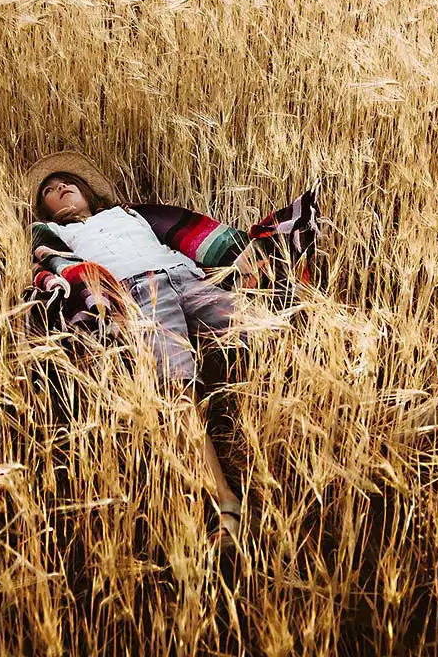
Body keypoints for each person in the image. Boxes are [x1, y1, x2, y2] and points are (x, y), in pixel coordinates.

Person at [25, 150, 265, 549]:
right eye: (49, 190)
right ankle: (226, 505)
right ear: (45, 208)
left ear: (86, 190)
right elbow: (56, 272)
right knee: (176, 391)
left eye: (66, 182)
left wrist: (249, 259)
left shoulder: (132, 213)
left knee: (269, 332)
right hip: (142, 294)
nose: (60, 188)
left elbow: (198, 238)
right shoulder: (56, 238)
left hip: (189, 280)